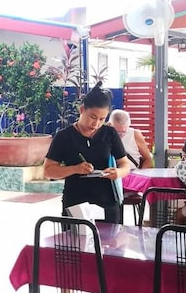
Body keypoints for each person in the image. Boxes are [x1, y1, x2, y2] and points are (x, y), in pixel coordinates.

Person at [44, 87, 131, 224]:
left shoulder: (110, 134)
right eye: (93, 117)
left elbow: (125, 165)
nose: (96, 124)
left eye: (102, 119)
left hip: (107, 203)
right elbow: (48, 171)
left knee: (109, 238)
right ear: (82, 110)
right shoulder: (64, 136)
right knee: (75, 238)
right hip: (76, 204)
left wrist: (118, 172)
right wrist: (75, 169)